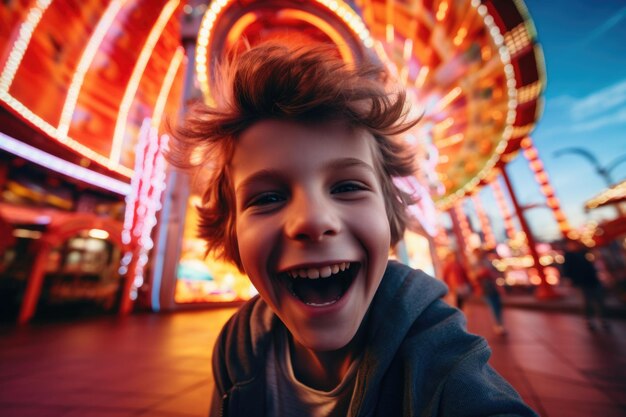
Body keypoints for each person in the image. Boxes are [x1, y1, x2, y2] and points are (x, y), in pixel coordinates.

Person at [170, 41, 537, 416]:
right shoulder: (237, 345)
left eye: (347, 187)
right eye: (266, 198)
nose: (312, 220)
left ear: (389, 212)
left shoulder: (445, 369)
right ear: (231, 232)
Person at [562, 239, 609, 331]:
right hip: (580, 282)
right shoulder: (568, 256)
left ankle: (602, 319)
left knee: (599, 300)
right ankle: (588, 320)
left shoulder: (585, 252)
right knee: (586, 302)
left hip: (593, 280)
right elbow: (566, 270)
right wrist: (569, 280)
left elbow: (593, 264)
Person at [473, 248, 506, 336]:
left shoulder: (487, 262)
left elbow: (496, 273)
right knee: (494, 306)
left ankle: (499, 323)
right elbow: (476, 276)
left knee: (497, 305)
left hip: (493, 286)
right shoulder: (477, 264)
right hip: (486, 288)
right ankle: (498, 324)